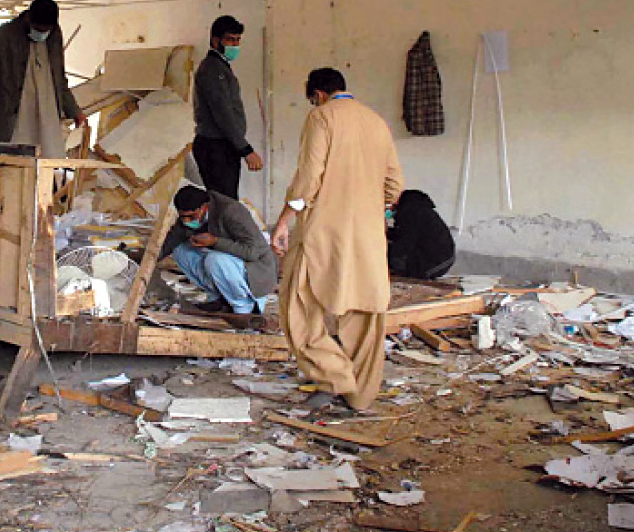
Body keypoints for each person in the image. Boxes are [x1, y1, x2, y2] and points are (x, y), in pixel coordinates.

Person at [271, 68, 404, 411]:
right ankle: (360, 397)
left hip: (324, 231)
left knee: (297, 305)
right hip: (369, 237)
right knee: (364, 311)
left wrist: (285, 220)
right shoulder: (376, 121)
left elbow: (308, 179)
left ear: (317, 93)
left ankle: (334, 376)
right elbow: (394, 187)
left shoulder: (321, 118)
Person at [0, 0, 86, 158]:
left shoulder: (54, 35)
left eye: (46, 30)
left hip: (47, 116)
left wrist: (75, 111)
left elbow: (59, 79)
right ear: (28, 18)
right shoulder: (1, 37)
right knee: (11, 164)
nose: (42, 34)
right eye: (38, 29)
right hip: (10, 117)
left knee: (49, 162)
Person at [160, 185, 276, 314]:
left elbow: (253, 252)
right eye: (183, 217)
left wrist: (215, 241)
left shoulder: (231, 211)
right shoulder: (190, 216)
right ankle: (218, 299)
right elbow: (172, 240)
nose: (186, 221)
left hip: (255, 271)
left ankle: (244, 307)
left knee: (214, 259)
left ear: (204, 207)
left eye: (191, 217)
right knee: (180, 250)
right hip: (228, 263)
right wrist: (149, 261)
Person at [192, 15, 263, 199]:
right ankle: (220, 229)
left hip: (223, 146)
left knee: (226, 200)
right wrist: (245, 149)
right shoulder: (213, 69)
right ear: (216, 41)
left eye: (238, 40)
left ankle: (221, 228)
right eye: (230, 39)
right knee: (224, 203)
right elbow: (223, 113)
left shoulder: (221, 67)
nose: (235, 45)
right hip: (215, 147)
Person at [388, 189, 455, 280]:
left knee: (392, 254)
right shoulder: (420, 210)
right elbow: (406, 234)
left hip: (435, 262)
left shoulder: (411, 213)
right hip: (444, 261)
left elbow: (405, 242)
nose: (390, 209)